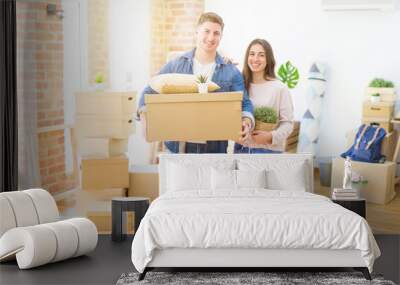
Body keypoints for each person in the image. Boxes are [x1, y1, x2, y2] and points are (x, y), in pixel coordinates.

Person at [137, 12, 254, 154]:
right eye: (207, 31)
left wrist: (246, 121)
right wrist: (145, 121)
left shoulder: (231, 71)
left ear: (221, 37)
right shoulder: (175, 65)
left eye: (216, 33)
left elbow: (245, 102)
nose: (211, 38)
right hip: (178, 148)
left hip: (214, 150)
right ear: (197, 32)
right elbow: (147, 93)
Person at [235, 39, 294, 154]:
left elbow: (287, 123)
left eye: (261, 55)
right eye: (252, 54)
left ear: (268, 59)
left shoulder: (279, 88)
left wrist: (270, 136)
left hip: (268, 151)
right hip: (241, 150)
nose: (255, 59)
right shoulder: (240, 85)